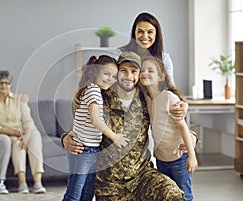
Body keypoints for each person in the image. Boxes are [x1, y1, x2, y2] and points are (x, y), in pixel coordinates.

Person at [62, 51, 190, 200]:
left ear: (138, 76)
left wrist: (191, 135)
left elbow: (169, 116)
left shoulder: (147, 99)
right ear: (117, 73)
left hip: (142, 177)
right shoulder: (101, 96)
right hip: (110, 185)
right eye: (123, 70)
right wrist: (66, 137)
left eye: (134, 71)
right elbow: (83, 122)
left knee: (172, 194)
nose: (128, 76)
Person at [62, 55, 129, 201]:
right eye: (106, 74)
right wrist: (115, 136)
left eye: (113, 76)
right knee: (74, 193)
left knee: (86, 193)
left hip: (90, 148)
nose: (110, 79)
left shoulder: (93, 90)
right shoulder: (93, 91)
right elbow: (95, 120)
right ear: (94, 72)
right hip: (84, 148)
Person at [140, 57, 198, 201]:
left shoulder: (169, 98)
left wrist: (192, 156)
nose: (144, 73)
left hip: (179, 158)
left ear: (161, 77)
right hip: (161, 158)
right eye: (142, 70)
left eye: (150, 71)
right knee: (166, 195)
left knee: (184, 195)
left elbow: (183, 127)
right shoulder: (147, 98)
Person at [0, 70, 46, 194]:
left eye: (7, 83)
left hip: (26, 131)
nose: (4, 86)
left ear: (11, 85)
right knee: (17, 144)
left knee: (35, 139)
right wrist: (17, 134)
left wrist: (27, 135)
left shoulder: (19, 100)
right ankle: (22, 183)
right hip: (7, 133)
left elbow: (28, 120)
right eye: (0, 83)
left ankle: (38, 183)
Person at [119, 12, 175, 85]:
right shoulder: (120, 54)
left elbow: (170, 85)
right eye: (140, 31)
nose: (145, 36)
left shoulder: (164, 58)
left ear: (156, 34)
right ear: (134, 33)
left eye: (150, 32)